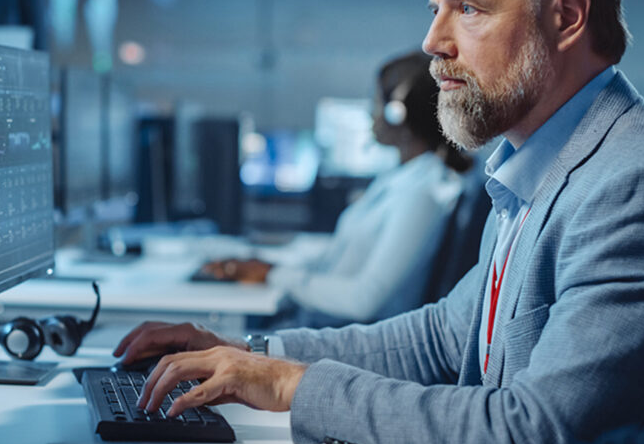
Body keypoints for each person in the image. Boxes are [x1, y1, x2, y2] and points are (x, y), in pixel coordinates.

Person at [102, 0, 644, 444]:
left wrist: (292, 387)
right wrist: (247, 358)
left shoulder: (639, 183)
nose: (432, 42)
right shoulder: (536, 165)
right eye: (436, 10)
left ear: (565, 16)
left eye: (468, 9)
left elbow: (538, 434)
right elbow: (440, 342)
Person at [201, 51, 479, 327]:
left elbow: (364, 299)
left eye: (376, 101)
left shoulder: (421, 194)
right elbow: (340, 256)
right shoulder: (402, 178)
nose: (371, 112)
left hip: (341, 335)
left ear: (399, 113)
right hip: (320, 323)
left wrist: (275, 274)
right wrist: (269, 264)